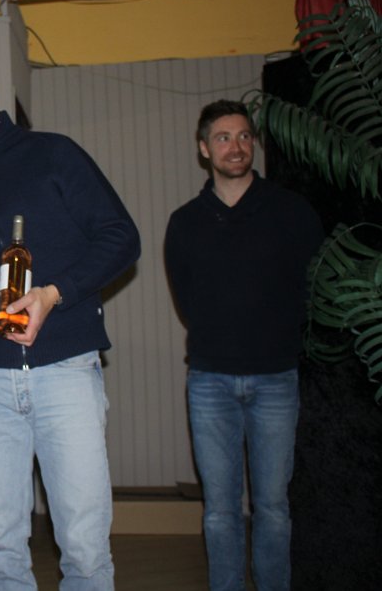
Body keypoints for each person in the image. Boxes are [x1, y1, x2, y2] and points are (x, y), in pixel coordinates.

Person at [0, 45, 140, 590]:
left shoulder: (53, 153)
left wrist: (54, 294)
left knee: (84, 545)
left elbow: (122, 238)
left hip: (66, 370)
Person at [164, 100, 323, 591]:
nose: (235, 147)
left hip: (276, 379)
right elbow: (187, 299)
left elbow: (314, 288)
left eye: (244, 136)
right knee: (220, 510)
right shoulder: (185, 222)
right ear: (203, 148)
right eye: (223, 138)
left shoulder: (292, 211)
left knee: (273, 506)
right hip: (209, 382)